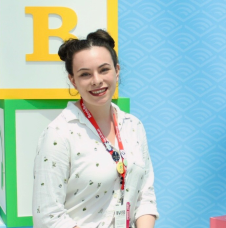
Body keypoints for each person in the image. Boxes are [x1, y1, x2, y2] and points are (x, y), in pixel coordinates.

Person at [32, 29, 159, 228]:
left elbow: (145, 196)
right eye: (85, 74)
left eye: (104, 70)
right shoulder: (59, 133)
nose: (97, 80)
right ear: (73, 80)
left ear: (117, 70)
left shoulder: (134, 126)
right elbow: (49, 216)